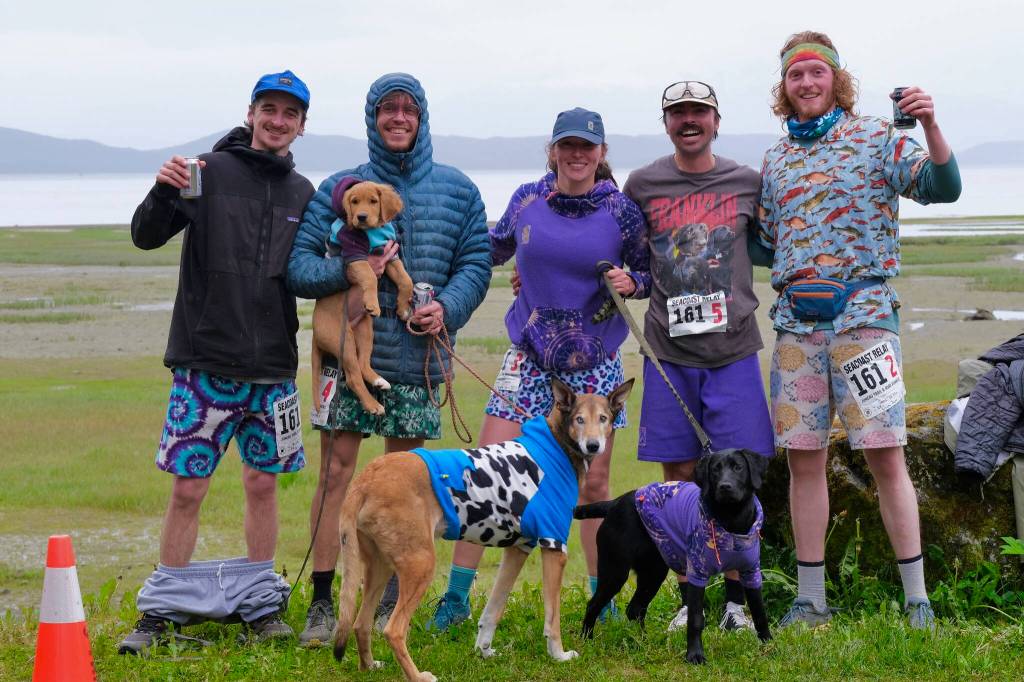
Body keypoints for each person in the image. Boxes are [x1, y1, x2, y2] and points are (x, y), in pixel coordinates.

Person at [757, 31, 961, 630]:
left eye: (817, 74)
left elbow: (943, 189)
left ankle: (917, 598)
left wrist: (930, 126)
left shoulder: (877, 137)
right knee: (802, 460)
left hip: (866, 324)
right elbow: (766, 245)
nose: (807, 84)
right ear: (785, 89)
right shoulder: (774, 159)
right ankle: (810, 599)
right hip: (796, 327)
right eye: (796, 76)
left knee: (886, 456)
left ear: (836, 81)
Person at [427, 107, 651, 631]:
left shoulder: (621, 210)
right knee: (481, 471)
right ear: (553, 150)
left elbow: (645, 270)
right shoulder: (527, 199)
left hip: (595, 367)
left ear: (601, 152)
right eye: (567, 145)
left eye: (587, 146)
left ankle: (604, 600)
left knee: (594, 489)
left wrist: (631, 283)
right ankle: (456, 600)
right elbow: (490, 249)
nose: (577, 155)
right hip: (527, 363)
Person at [287, 72, 491, 646]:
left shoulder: (458, 190)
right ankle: (325, 604)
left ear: (422, 118)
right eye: (387, 109)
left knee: (407, 489)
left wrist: (445, 308)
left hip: (419, 361)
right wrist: (359, 273)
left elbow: (477, 263)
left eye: (409, 109)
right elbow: (300, 269)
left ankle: (388, 607)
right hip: (346, 355)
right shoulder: (339, 187)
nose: (398, 118)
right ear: (372, 118)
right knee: (335, 477)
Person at [118, 70, 315, 654]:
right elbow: (145, 236)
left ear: (302, 125)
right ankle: (160, 614)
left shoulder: (305, 194)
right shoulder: (205, 172)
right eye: (269, 109)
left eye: (290, 114)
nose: (278, 121)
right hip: (205, 365)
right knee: (188, 490)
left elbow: (312, 276)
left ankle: (260, 605)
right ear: (252, 113)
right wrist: (161, 190)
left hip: (275, 370)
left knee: (263, 486)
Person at [622, 82, 776, 634]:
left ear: (716, 120)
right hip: (668, 353)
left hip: (733, 349)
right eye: (678, 113)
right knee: (683, 477)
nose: (689, 121)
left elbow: (780, 239)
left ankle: (738, 602)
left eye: (699, 112)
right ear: (667, 123)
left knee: (741, 474)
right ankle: (693, 598)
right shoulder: (641, 184)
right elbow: (630, 258)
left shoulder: (747, 181)